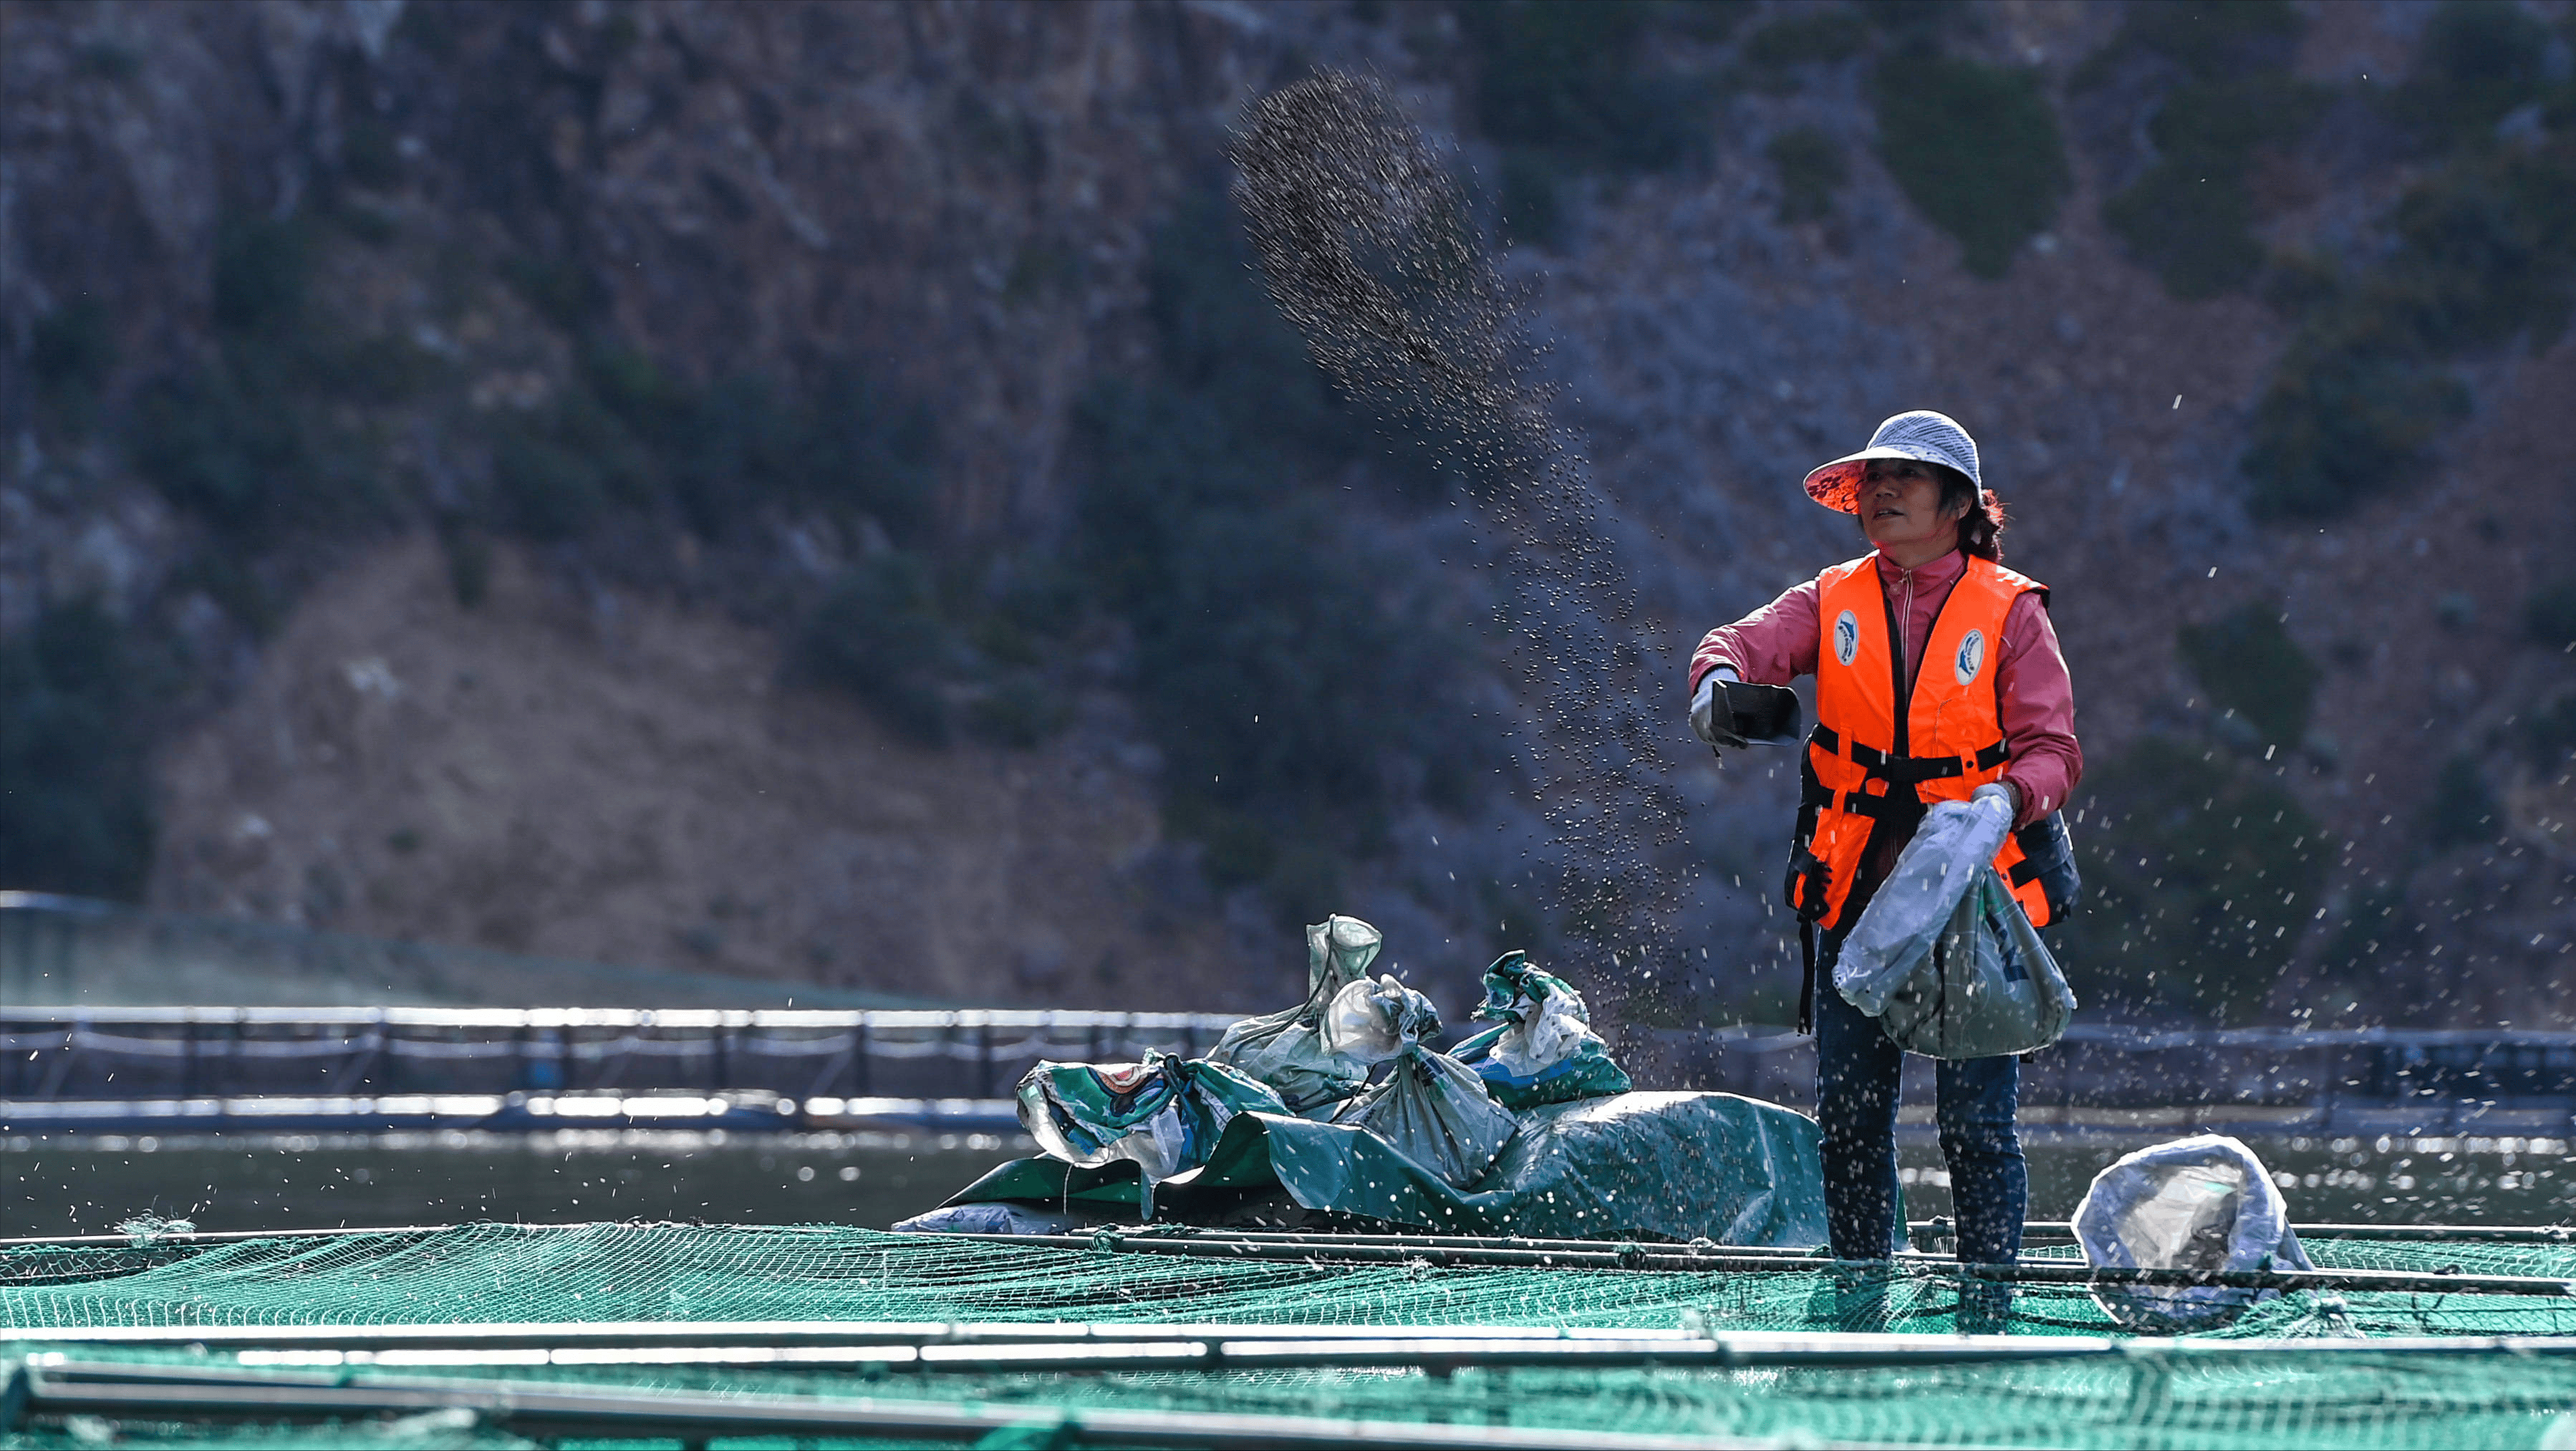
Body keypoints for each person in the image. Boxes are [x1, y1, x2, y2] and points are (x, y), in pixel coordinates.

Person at [1687, 410, 2082, 1321]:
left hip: (1972, 904)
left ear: (1959, 504)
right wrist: (1714, 683)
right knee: (1852, 1119)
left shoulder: (2012, 610)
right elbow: (1735, 644)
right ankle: (1859, 1306)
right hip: (1855, 895)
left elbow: (2054, 751)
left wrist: (2005, 798)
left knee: (1976, 1128)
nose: (1882, 491)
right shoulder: (1830, 597)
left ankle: (1988, 1312)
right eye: (1872, 478)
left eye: (1908, 475)